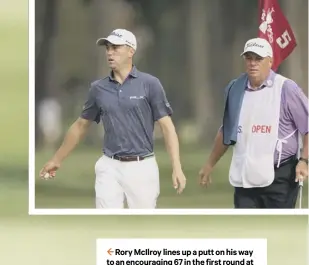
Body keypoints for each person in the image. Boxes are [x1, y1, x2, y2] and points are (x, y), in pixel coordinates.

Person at [39, 29, 186, 209]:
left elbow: (167, 127)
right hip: (109, 165)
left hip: (142, 167)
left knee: (142, 227)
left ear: (131, 51)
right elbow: (80, 126)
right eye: (108, 48)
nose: (110, 52)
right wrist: (57, 160)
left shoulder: (150, 84)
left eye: (116, 48)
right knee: (106, 221)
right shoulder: (98, 88)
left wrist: (176, 167)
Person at [199, 37, 308, 209]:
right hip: (245, 176)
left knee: (275, 232)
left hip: (280, 177)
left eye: (258, 59)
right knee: (246, 231)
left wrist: (304, 161)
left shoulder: (286, 88)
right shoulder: (235, 89)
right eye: (249, 58)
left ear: (270, 61)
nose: (253, 63)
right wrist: (209, 164)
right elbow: (227, 130)